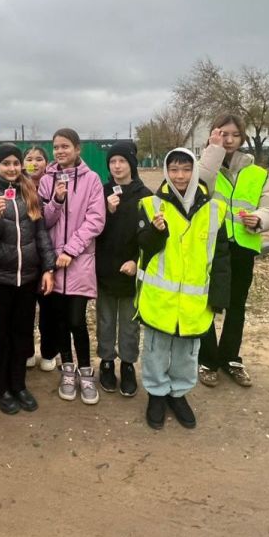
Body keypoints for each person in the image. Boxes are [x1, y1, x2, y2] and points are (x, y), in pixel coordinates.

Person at [136, 148, 230, 430]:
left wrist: (219, 297)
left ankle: (178, 394)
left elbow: (221, 257)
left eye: (186, 169)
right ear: (166, 171)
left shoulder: (215, 209)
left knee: (187, 353)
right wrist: (156, 232)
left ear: (195, 171)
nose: (180, 176)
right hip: (159, 299)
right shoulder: (150, 205)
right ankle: (156, 393)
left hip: (194, 301)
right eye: (174, 169)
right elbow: (142, 246)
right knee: (155, 350)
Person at [197, 116, 269, 388]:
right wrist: (212, 151)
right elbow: (198, 187)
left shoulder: (258, 174)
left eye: (235, 135)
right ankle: (207, 360)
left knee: (236, 306)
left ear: (242, 138)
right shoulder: (206, 165)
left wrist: (259, 219)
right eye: (223, 134)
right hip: (211, 247)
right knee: (206, 303)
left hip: (243, 247)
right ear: (214, 135)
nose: (229, 140)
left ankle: (230, 359)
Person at [0, 144, 56, 414]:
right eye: (6, 163)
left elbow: (41, 234)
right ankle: (0, 387)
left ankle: (18, 384)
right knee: (0, 334)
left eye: (15, 163)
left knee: (22, 333)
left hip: (28, 277)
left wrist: (48, 268)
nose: (11, 168)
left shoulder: (29, 191)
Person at [37, 128, 106, 405]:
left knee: (77, 320)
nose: (60, 151)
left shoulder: (92, 180)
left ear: (78, 149)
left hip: (78, 261)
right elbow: (43, 221)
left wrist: (70, 250)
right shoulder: (47, 180)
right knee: (60, 321)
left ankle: (86, 371)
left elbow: (96, 220)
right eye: (56, 147)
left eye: (65, 146)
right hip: (54, 264)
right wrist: (57, 200)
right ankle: (67, 368)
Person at [95, 141, 152, 397]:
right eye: (112, 162)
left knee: (129, 323)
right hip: (105, 270)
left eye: (122, 161)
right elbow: (94, 231)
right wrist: (108, 211)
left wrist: (137, 262)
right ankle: (106, 362)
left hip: (131, 272)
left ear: (132, 164)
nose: (117, 166)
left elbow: (151, 236)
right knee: (105, 320)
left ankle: (128, 365)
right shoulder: (101, 192)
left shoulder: (146, 195)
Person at [22, 145, 59, 371]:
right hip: (25, 258)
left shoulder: (55, 183)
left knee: (49, 309)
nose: (34, 163)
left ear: (47, 163)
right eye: (29, 158)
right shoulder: (16, 186)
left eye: (39, 159)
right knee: (25, 310)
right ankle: (27, 351)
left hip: (50, 253)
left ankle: (49, 352)